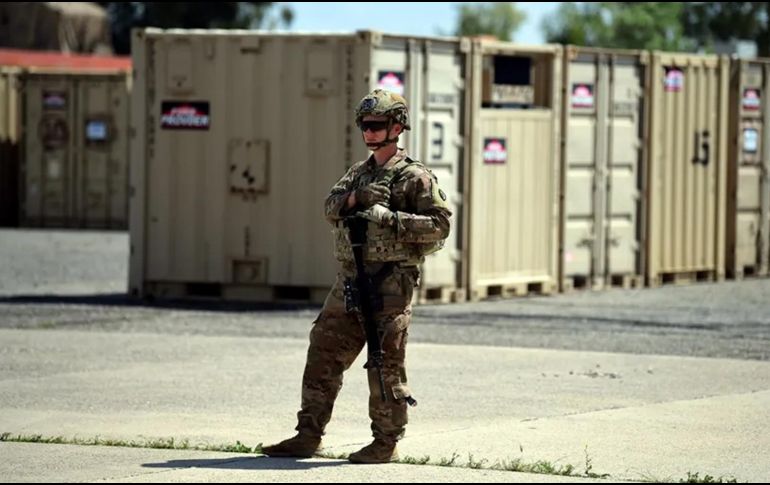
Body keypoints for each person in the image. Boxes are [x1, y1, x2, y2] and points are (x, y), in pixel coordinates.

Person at [262, 89, 451, 464]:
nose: (369, 131)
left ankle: (385, 442)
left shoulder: (415, 177)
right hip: (350, 281)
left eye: (377, 124)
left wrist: (391, 219)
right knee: (323, 353)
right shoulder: (358, 174)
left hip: (390, 284)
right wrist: (356, 199)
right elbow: (330, 207)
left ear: (397, 126)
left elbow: (440, 226)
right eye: (364, 124)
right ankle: (307, 434)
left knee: (385, 364)